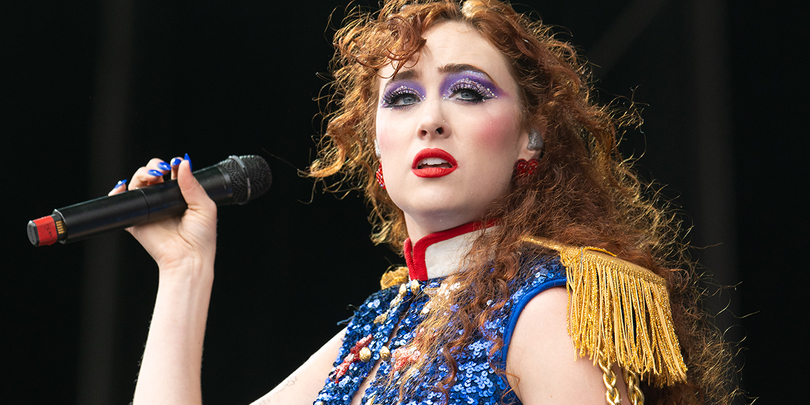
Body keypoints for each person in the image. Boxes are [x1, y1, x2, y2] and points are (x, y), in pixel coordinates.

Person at [112, 0, 737, 404]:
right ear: (374, 148)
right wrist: (183, 270)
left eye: (468, 92)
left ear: (530, 137)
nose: (431, 120)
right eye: (403, 98)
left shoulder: (549, 307)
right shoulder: (377, 328)